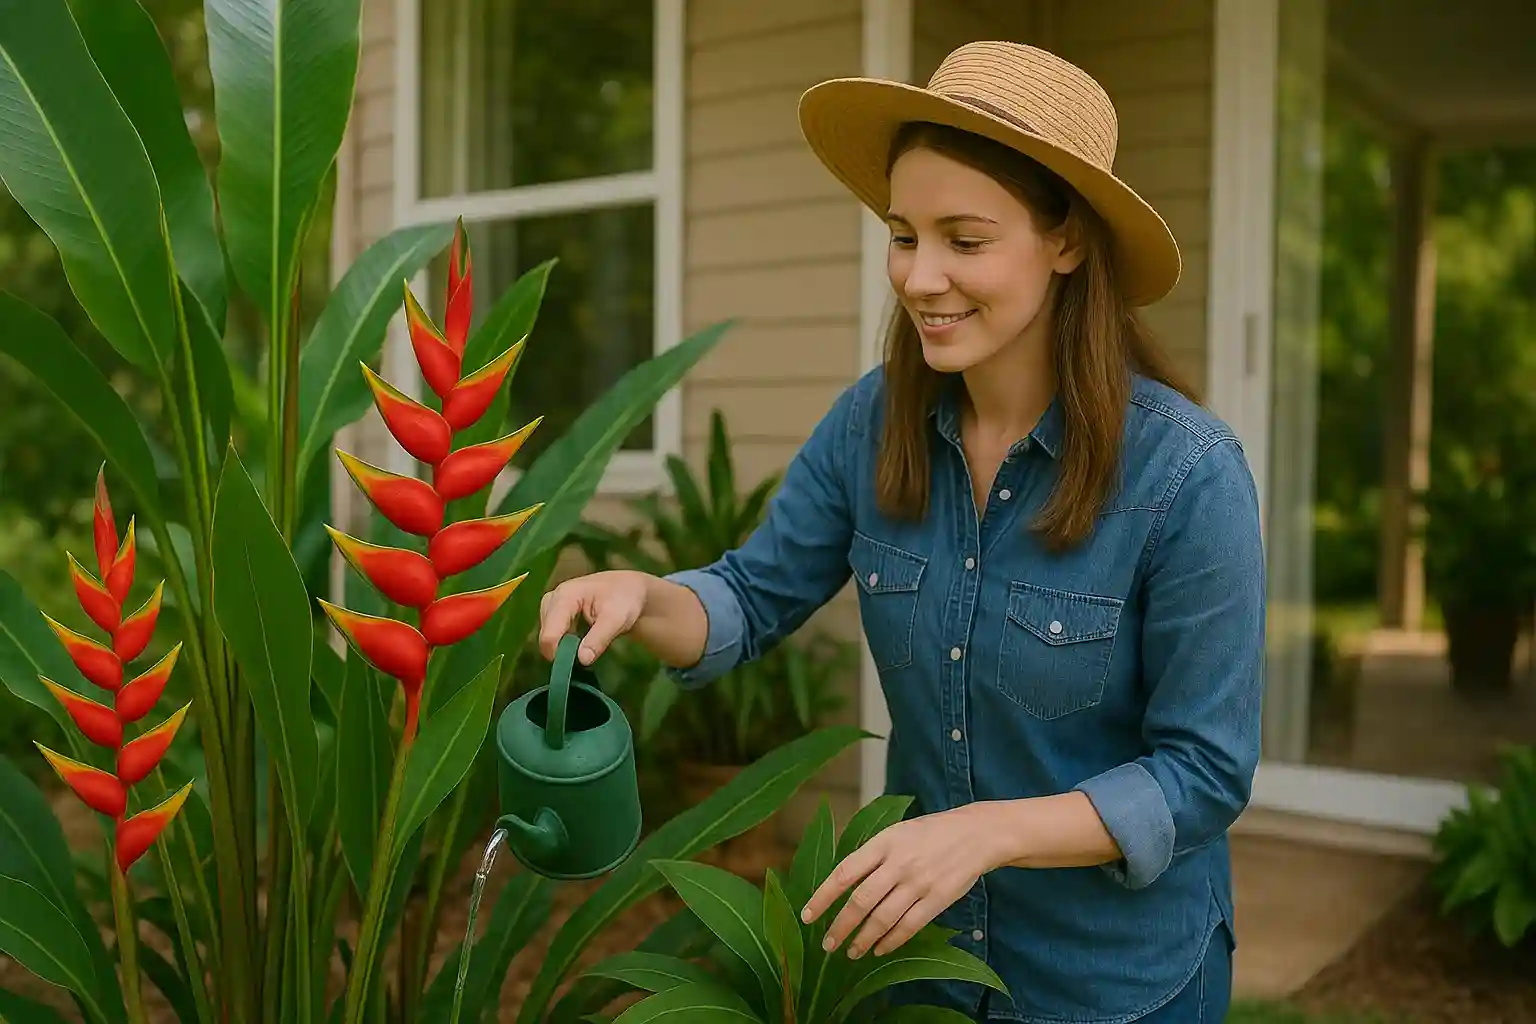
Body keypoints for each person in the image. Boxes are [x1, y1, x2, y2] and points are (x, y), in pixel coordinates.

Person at [537, 40, 1265, 1023]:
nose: (920, 278)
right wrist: (642, 596)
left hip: (1117, 981)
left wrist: (986, 833)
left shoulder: (1187, 475)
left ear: (1065, 241)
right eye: (903, 235)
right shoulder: (872, 424)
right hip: (923, 967)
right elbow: (748, 597)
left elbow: (1204, 773)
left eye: (965, 240)